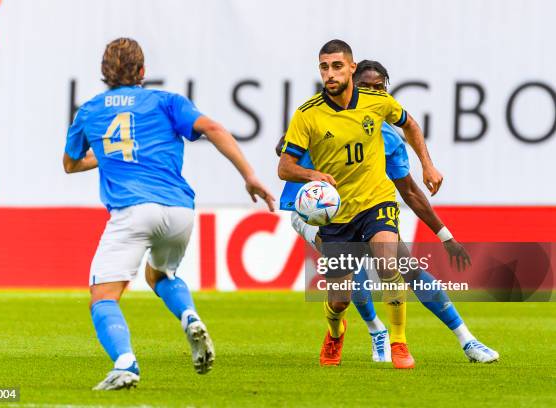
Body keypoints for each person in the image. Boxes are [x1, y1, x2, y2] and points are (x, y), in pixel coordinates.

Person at [63, 38, 275, 390]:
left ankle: (125, 363)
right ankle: (189, 315)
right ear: (143, 72)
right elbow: (214, 129)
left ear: (103, 73)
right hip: (179, 210)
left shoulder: (89, 111)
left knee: (103, 297)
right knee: (159, 275)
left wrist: (110, 154)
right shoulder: (166, 101)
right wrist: (250, 175)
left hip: (132, 211)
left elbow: (70, 164)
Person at [278, 60, 499, 364]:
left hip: (368, 206)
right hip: (313, 212)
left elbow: (409, 191)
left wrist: (445, 236)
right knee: (347, 277)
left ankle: (466, 340)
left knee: (404, 266)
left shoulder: (390, 139)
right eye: (365, 86)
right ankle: (372, 330)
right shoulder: (319, 113)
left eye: (378, 88)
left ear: (385, 92)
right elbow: (284, 151)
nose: (371, 92)